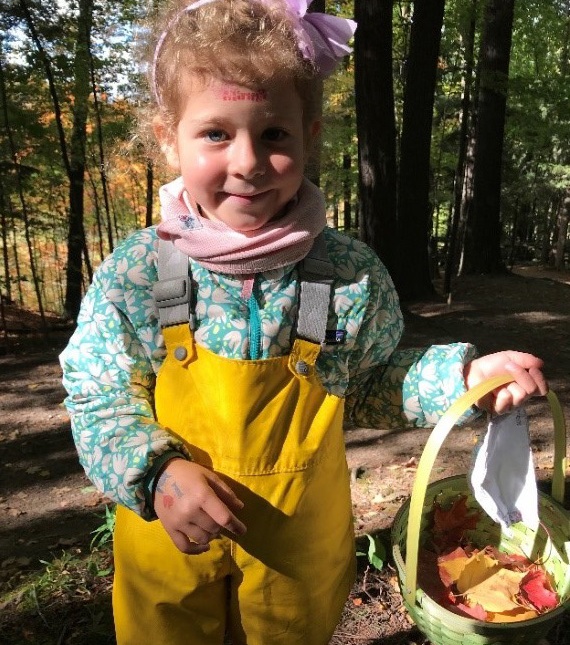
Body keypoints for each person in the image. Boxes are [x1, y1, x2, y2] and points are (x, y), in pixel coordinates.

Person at [59, 1, 547, 643]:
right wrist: (153, 474)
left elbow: (372, 383)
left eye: (274, 135)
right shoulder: (142, 272)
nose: (247, 161)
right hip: (171, 548)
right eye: (215, 133)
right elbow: (98, 396)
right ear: (166, 137)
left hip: (297, 562)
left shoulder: (345, 272)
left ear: (310, 134)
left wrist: (464, 377)